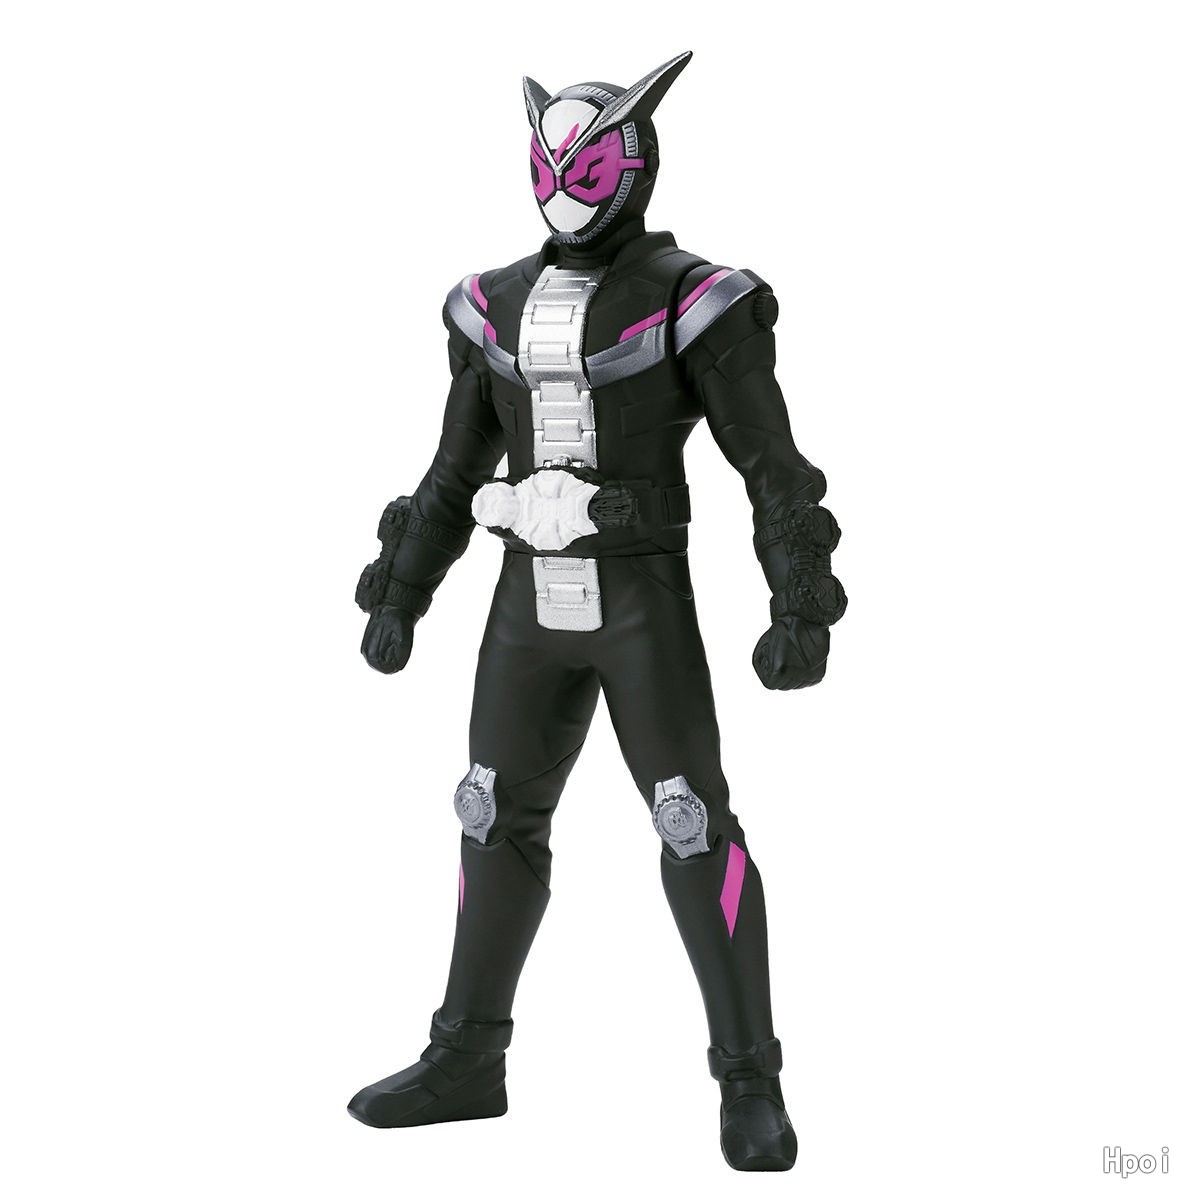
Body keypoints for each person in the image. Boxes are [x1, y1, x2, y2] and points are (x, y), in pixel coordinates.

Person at [348, 51, 846, 1172]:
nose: (567, 185)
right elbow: (451, 469)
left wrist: (798, 600)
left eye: (589, 163)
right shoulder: (490, 306)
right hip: (524, 603)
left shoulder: (695, 298)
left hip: (638, 603)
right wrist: (405, 590)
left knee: (691, 821)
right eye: (552, 163)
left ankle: (750, 1077)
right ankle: (466, 1058)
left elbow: (770, 466)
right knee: (488, 814)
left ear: (634, 163)